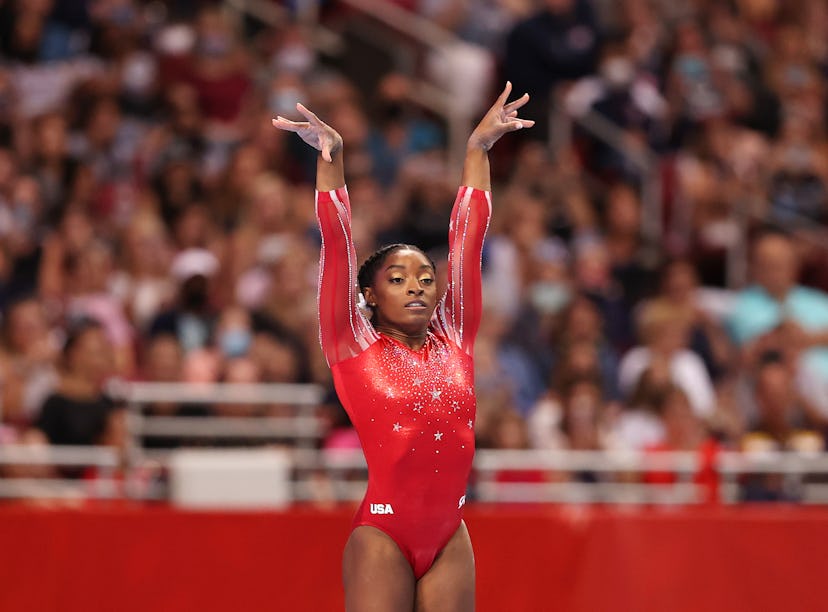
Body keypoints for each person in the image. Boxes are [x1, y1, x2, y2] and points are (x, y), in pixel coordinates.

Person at [273, 82, 533, 611]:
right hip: (383, 537)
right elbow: (338, 245)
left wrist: (476, 151)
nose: (416, 285)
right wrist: (333, 164)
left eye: (424, 276)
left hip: (450, 536)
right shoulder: (350, 345)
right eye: (398, 279)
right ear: (369, 295)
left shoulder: (455, 334)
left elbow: (468, 238)